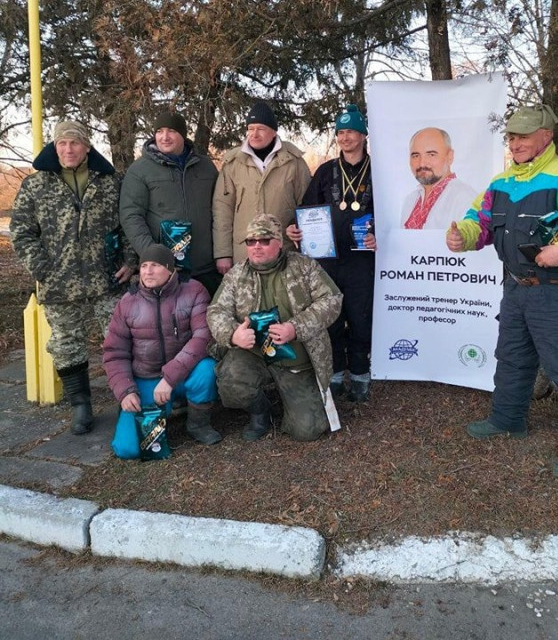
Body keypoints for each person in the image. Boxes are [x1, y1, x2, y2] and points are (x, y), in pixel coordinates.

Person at [446, 104, 558, 483]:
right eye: (511, 136)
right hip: (515, 288)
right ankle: (508, 419)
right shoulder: (501, 183)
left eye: (524, 136)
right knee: (512, 357)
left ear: (546, 136)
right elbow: (479, 220)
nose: (516, 143)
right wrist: (464, 236)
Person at [10, 120, 135, 435]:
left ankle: (127, 397)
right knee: (66, 344)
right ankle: (81, 403)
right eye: (62, 143)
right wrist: (42, 268)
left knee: (121, 338)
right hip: (59, 284)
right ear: (55, 147)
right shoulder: (36, 185)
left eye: (75, 143)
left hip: (107, 279)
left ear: (87, 147)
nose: (68, 149)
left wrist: (130, 261)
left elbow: (128, 223)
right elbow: (22, 232)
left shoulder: (110, 182)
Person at [207, 214, 342, 442]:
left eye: (264, 240)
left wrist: (294, 328)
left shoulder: (305, 266)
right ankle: (260, 411)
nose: (256, 246)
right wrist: (233, 334)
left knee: (308, 430)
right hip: (254, 354)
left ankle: (290, 405)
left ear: (279, 243)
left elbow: (332, 299)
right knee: (231, 384)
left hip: (296, 360)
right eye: (251, 241)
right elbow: (216, 311)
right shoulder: (236, 275)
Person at [286, 104, 376, 402]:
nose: (345, 137)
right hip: (328, 260)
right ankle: (335, 372)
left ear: (363, 135)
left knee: (361, 316)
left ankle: (360, 373)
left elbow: (391, 214)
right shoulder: (326, 171)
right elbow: (307, 210)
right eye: (340, 132)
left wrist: (379, 235)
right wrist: (295, 229)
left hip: (363, 259)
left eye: (351, 131)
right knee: (332, 318)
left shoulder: (378, 171)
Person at [103, 244, 220, 458]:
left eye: (155, 265)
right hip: (147, 378)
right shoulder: (127, 303)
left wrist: (169, 377)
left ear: (171, 269)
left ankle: (198, 424)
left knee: (207, 369)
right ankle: (157, 412)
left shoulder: (193, 290)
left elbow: (203, 337)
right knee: (128, 449)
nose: (148, 271)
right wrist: (125, 390)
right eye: (144, 266)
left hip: (184, 374)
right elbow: (114, 353)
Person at [119, 111, 221, 297]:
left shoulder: (205, 166)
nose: (164, 137)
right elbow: (131, 216)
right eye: (159, 131)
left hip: (207, 268)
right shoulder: (139, 170)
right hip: (167, 272)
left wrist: (222, 253)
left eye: (172, 131)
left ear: (183, 135)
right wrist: (153, 256)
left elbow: (221, 210)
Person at [213, 101, 311, 274]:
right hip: (244, 252)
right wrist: (223, 254)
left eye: (261, 129)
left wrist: (295, 228)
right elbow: (222, 210)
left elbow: (307, 205)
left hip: (284, 251)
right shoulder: (233, 163)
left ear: (273, 132)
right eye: (250, 129)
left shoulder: (294, 162)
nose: (254, 134)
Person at [401, 127, 476, 229]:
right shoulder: (410, 200)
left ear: (450, 156)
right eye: (416, 156)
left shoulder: (464, 198)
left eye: (431, 155)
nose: (422, 163)